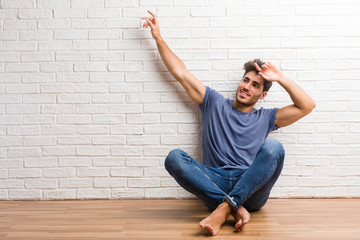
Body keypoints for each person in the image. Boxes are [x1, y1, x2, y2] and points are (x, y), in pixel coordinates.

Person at [142, 10, 316, 236]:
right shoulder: (213, 102)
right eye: (246, 80)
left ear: (262, 95)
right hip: (214, 181)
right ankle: (233, 207)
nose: (247, 86)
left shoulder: (267, 117)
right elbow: (180, 73)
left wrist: (280, 78)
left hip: (250, 185)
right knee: (174, 157)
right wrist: (158, 36)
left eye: (255, 85)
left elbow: (307, 106)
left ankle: (223, 208)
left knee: (275, 147)